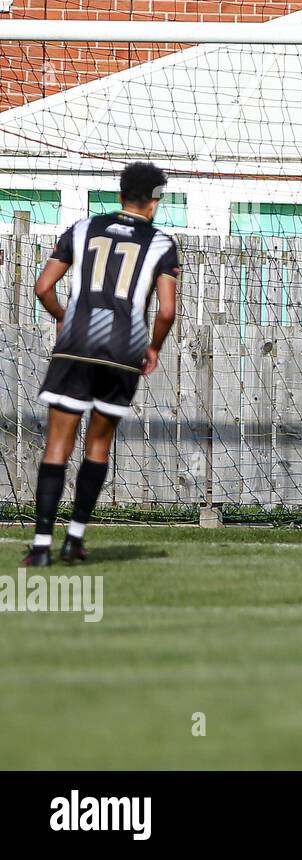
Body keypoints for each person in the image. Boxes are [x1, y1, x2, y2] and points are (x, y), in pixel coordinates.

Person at [21, 162, 180, 566]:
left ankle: (41, 546)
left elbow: (43, 287)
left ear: (120, 193)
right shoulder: (161, 243)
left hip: (75, 347)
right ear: (156, 199)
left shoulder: (81, 228)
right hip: (123, 352)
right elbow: (166, 312)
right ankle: (74, 540)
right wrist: (154, 348)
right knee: (99, 443)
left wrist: (62, 317)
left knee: (58, 443)